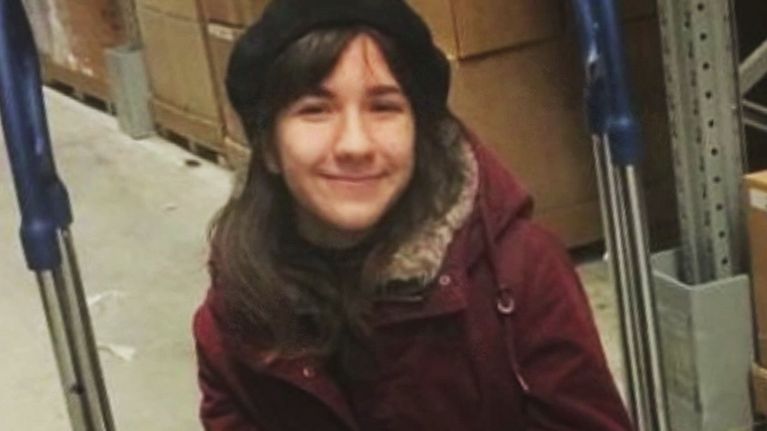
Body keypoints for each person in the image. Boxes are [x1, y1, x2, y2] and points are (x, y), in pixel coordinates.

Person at [192, 0, 633, 429]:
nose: (355, 145)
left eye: (383, 107)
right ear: (269, 146)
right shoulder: (235, 317)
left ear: (419, 133)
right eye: (315, 110)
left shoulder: (523, 272)